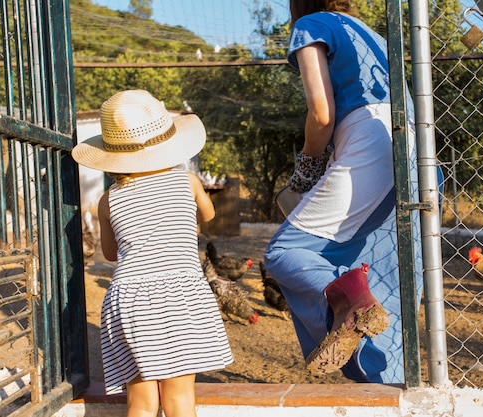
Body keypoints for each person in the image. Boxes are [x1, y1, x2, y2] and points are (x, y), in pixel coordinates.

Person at [263, 0, 432, 383]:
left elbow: (321, 114)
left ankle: (349, 302)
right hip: (413, 149)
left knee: (284, 251)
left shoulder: (312, 24)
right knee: (380, 268)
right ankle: (382, 379)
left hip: (369, 145)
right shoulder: (372, 33)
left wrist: (305, 171)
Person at [71, 90, 233, 417]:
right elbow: (209, 215)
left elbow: (111, 253)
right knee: (179, 401)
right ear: (167, 144)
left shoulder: (107, 199)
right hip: (180, 295)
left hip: (128, 300)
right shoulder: (188, 182)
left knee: (142, 405)